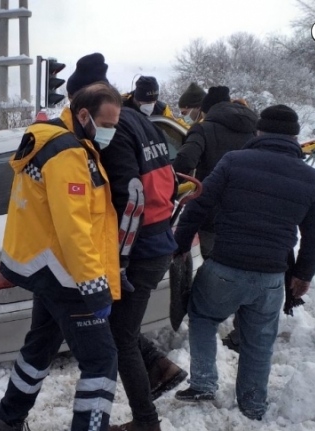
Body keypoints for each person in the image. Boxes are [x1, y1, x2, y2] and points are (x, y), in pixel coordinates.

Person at [172, 105, 315, 421]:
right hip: (272, 277)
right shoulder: (311, 177)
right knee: (258, 342)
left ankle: (203, 383)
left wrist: (180, 247)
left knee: (202, 315)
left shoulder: (233, 162)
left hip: (225, 267)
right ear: (295, 137)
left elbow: (199, 206)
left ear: (260, 132)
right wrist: (303, 275)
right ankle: (253, 404)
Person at [0, 82, 122, 431]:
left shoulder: (61, 141)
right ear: (83, 114)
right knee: (102, 361)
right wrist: (94, 285)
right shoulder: (68, 154)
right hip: (67, 275)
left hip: (49, 268)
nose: (111, 131)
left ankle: (7, 418)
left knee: (41, 345)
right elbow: (74, 228)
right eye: (106, 124)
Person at [67, 54, 188, 421]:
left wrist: (117, 262)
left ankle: (146, 420)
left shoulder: (114, 131)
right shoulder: (140, 119)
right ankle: (160, 368)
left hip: (141, 249)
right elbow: (164, 178)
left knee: (120, 335)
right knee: (122, 326)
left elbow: (130, 198)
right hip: (157, 238)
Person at [172, 85, 257, 260]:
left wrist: (169, 186)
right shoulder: (254, 128)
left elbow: (185, 160)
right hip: (249, 212)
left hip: (212, 213)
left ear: (205, 110)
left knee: (213, 262)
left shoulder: (203, 129)